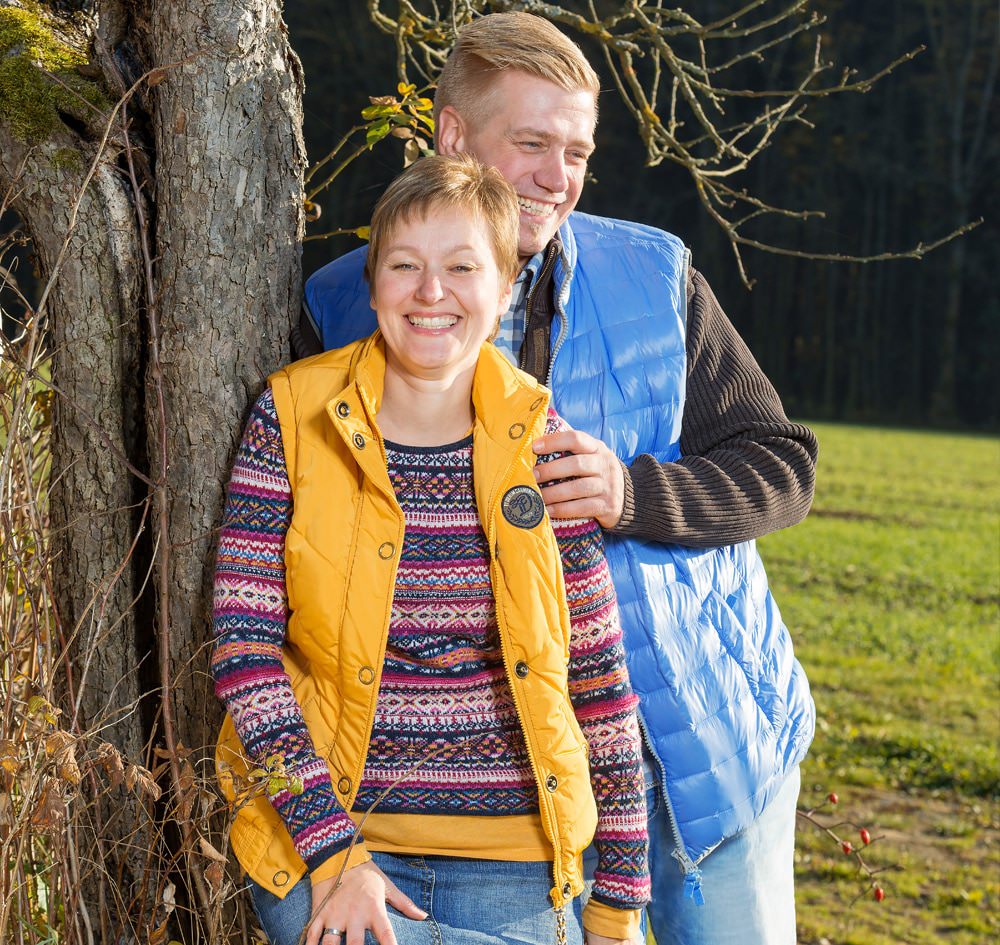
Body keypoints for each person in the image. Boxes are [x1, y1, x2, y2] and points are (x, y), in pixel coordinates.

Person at [298, 12, 819, 945]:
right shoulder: (346, 302)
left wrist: (633, 495)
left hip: (699, 747)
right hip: (506, 796)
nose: (557, 177)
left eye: (576, 150)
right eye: (531, 142)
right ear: (454, 136)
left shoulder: (657, 277)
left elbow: (783, 465)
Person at [212, 153, 649, 945]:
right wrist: (334, 849)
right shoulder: (290, 416)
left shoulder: (542, 441)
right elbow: (244, 653)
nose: (430, 292)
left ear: (504, 285)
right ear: (374, 280)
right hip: (325, 842)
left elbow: (598, 676)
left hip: (519, 860)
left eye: (461, 266)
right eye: (405, 265)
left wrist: (618, 898)